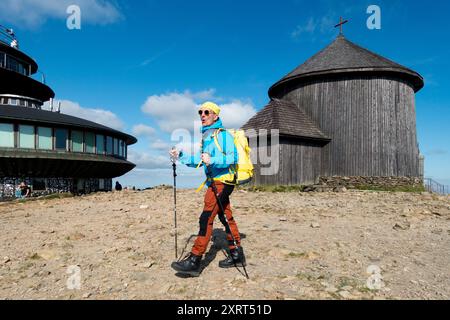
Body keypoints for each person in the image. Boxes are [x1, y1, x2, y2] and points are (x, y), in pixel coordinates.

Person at [169, 101, 246, 276]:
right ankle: (236, 254)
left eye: (206, 112)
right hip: (216, 181)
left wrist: (213, 160)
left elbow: (233, 157)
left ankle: (195, 260)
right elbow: (199, 160)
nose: (202, 115)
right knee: (225, 215)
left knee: (205, 218)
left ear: (215, 116)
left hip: (223, 181)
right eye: (200, 112)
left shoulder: (223, 135)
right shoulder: (207, 137)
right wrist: (180, 155)